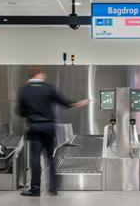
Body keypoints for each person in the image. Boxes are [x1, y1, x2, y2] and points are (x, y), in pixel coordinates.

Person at [17, 66, 88, 197]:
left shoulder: (24, 90)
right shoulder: (48, 88)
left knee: (35, 158)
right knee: (50, 156)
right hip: (48, 126)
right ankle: (53, 188)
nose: (44, 75)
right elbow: (65, 102)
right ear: (38, 74)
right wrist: (80, 103)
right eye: (43, 73)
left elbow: (20, 111)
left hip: (34, 126)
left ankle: (35, 189)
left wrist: (31, 114)